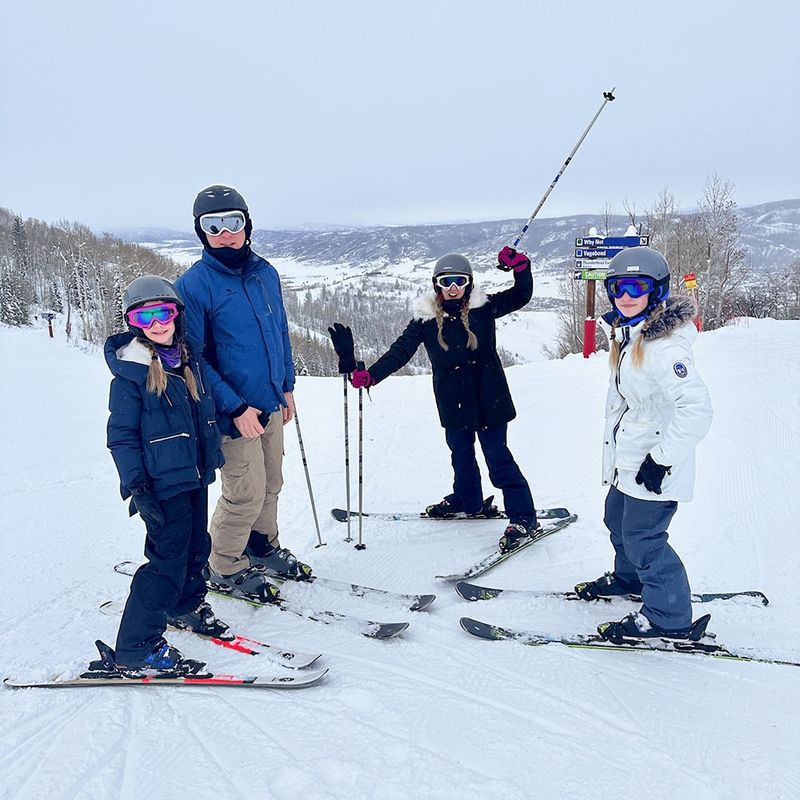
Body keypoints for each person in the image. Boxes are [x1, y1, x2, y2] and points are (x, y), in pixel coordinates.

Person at [331, 247, 538, 553]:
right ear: (436, 285)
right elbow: (400, 352)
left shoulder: (484, 307)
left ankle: (523, 518)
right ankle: (468, 501)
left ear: (468, 283)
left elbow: (521, 294)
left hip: (489, 398)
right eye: (446, 282)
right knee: (461, 456)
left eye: (459, 281)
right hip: (453, 401)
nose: (453, 288)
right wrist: (372, 375)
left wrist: (521, 267)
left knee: (498, 459)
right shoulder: (425, 321)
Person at [176, 185, 311, 602]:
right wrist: (234, 407)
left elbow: (279, 334)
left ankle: (262, 546)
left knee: (272, 481)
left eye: (233, 222)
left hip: (270, 401)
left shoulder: (265, 273)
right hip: (231, 412)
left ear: (247, 225)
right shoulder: (194, 285)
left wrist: (286, 386)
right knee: (245, 489)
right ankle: (225, 563)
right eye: (212, 226)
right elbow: (194, 358)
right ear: (202, 233)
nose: (224, 233)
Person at [575, 246, 713, 640]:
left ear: (657, 291)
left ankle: (669, 617)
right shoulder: (631, 336)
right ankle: (630, 579)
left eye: (637, 286)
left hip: (653, 464)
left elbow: (697, 409)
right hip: (631, 460)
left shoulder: (662, 348)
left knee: (645, 540)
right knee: (616, 521)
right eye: (618, 287)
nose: (626, 295)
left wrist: (662, 459)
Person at [104, 276, 226, 676]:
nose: (157, 323)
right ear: (133, 322)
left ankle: (184, 606)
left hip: (193, 476)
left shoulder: (186, 360)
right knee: (165, 563)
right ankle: (136, 646)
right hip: (160, 485)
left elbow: (201, 417)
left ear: (177, 315)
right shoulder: (130, 374)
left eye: (164, 312)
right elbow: (121, 436)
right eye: (145, 315)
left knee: (196, 547)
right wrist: (137, 486)